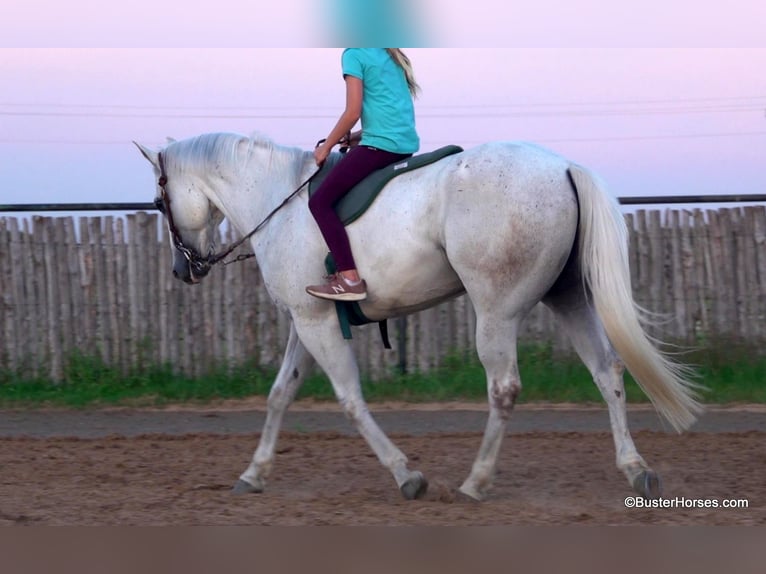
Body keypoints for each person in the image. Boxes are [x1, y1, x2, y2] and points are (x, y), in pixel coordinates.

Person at [305, 48, 420, 302]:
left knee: (320, 203)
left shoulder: (354, 54)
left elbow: (352, 112)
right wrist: (356, 137)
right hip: (403, 146)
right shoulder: (388, 51)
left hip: (380, 148)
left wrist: (327, 146)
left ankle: (350, 280)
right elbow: (391, 112)